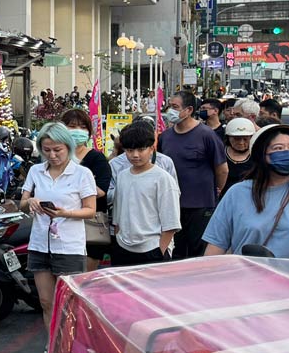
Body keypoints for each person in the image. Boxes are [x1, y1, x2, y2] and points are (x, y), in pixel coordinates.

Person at [19, 123, 98, 353]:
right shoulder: (35, 171)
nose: (52, 155)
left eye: (58, 150)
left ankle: (73, 350)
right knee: (45, 302)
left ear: (68, 147)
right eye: (47, 150)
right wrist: (30, 201)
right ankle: (53, 348)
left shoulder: (81, 173)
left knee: (70, 304)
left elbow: (91, 210)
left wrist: (66, 213)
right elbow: (21, 202)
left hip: (69, 245)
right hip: (41, 242)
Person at [202, 122, 289, 258]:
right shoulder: (237, 193)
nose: (287, 153)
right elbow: (215, 247)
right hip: (247, 277)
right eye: (278, 148)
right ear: (261, 155)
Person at [159, 91, 228, 259]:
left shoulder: (206, 135)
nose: (170, 111)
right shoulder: (165, 136)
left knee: (199, 252)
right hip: (172, 205)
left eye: (175, 107)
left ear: (189, 110)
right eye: (169, 106)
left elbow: (222, 169)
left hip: (201, 205)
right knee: (176, 252)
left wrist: (217, 190)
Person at [107, 121, 179, 266]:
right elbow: (118, 214)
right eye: (129, 150)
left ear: (152, 148)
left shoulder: (162, 178)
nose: (135, 155)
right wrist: (118, 237)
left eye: (141, 149)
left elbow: (171, 222)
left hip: (152, 249)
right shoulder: (122, 176)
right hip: (123, 247)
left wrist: (161, 250)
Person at [61, 108, 113, 260]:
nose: (77, 131)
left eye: (83, 127)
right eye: (72, 126)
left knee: (85, 274)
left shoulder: (97, 159)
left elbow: (101, 190)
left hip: (90, 225)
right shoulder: (54, 157)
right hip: (61, 224)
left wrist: (65, 193)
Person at [221, 117, 258, 194]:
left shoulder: (257, 156)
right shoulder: (220, 153)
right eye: (236, 139)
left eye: (245, 139)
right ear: (228, 138)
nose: (241, 143)